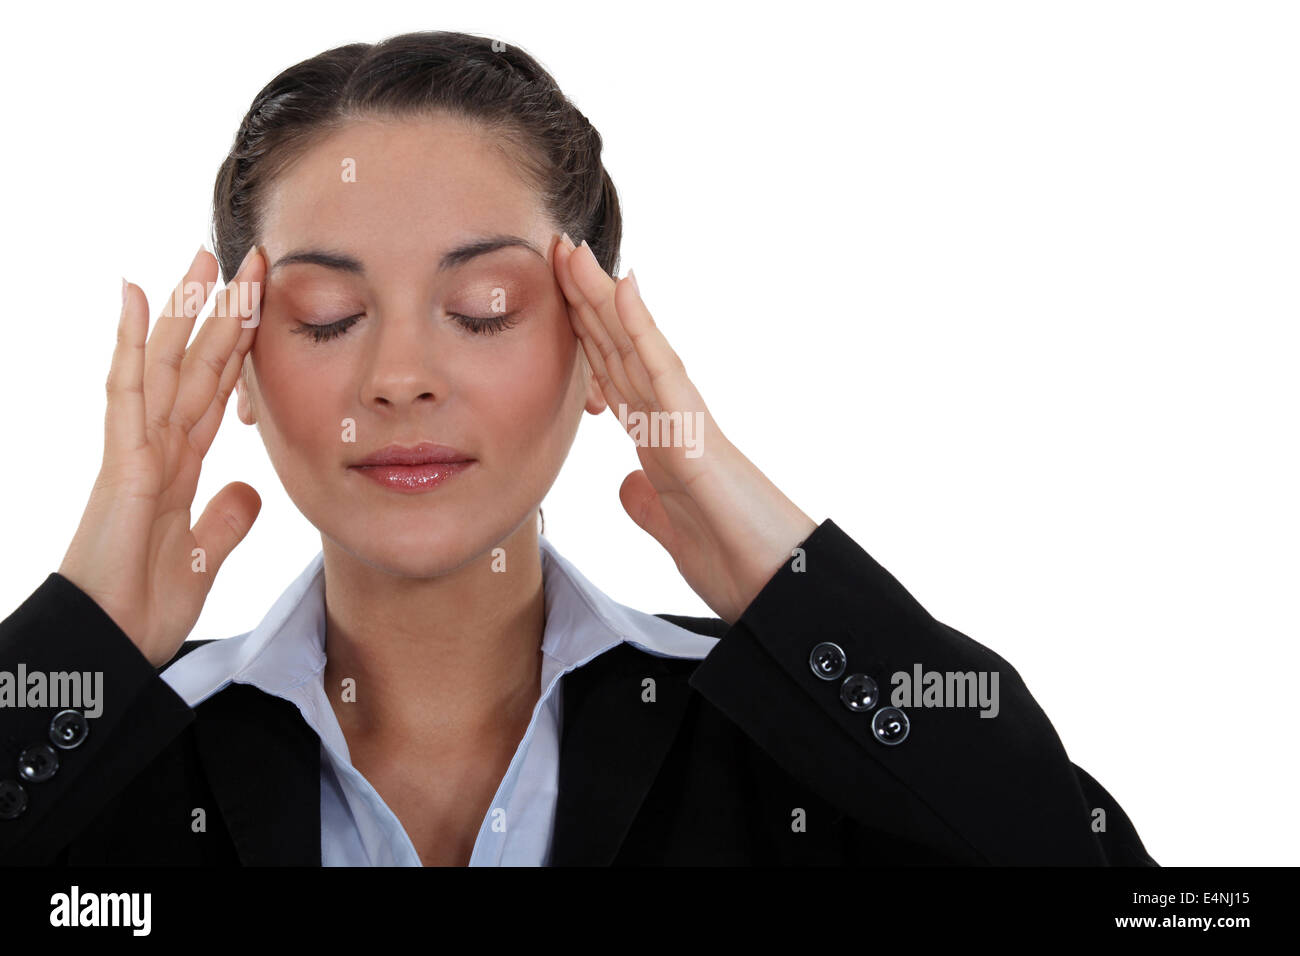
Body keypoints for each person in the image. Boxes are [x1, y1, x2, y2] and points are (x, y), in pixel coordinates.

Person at [0, 31, 1155, 866]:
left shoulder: (799, 736)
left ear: (597, 344)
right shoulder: (96, 746)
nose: (401, 375)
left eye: (487, 305)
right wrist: (82, 636)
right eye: (326, 318)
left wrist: (788, 582)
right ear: (241, 366)